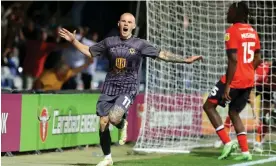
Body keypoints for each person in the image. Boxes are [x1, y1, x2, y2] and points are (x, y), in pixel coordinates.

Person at [59, 13, 202, 166]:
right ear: (118, 23)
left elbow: (162, 54)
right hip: (109, 86)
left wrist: (185, 60)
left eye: (129, 22)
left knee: (113, 118)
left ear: (133, 26)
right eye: (123, 21)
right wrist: (74, 41)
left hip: (128, 87)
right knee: (102, 122)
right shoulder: (109, 42)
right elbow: (90, 51)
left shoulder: (140, 44)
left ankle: (121, 123)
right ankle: (107, 157)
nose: (126, 24)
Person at [203, 2, 262, 161]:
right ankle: (245, 152)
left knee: (208, 106)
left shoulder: (231, 31)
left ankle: (227, 143)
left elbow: (233, 60)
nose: (227, 14)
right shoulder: (252, 31)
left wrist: (228, 85)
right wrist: (248, 71)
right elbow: (258, 58)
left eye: (229, 11)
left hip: (235, 79)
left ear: (237, 14)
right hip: (249, 80)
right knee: (233, 112)